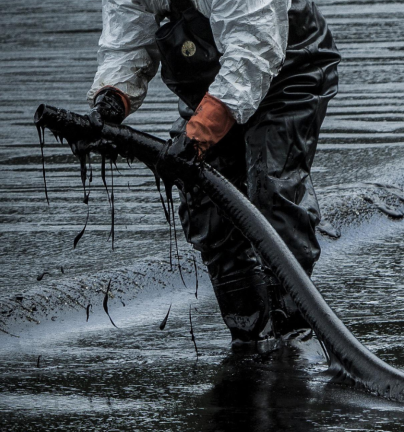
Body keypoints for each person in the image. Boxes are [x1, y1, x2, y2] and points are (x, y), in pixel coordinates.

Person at [86, 0, 340, 342]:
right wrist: (111, 100)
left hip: (287, 70)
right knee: (204, 206)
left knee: (273, 194)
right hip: (210, 80)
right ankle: (248, 333)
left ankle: (293, 332)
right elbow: (127, 40)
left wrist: (200, 133)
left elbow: (254, 49)